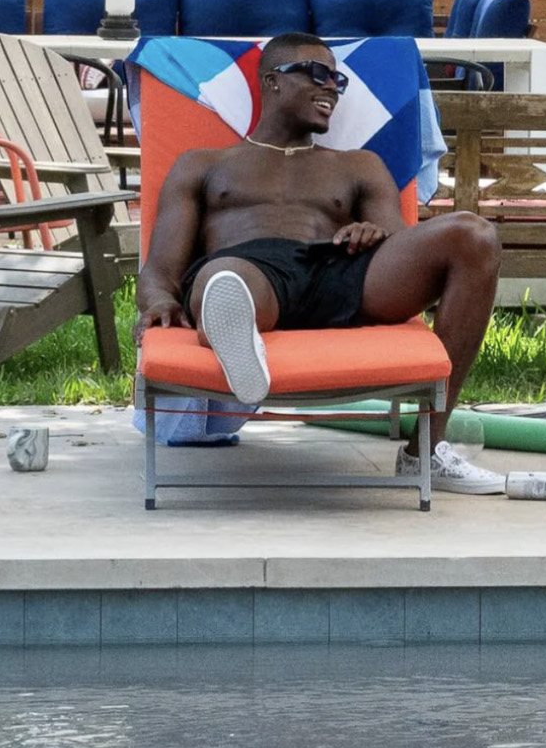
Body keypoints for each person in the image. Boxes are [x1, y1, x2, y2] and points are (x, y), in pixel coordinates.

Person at [137, 32, 507, 494]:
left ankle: (425, 450)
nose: (331, 86)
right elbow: (160, 268)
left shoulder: (359, 165)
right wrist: (155, 301)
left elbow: (400, 243)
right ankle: (234, 335)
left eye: (337, 79)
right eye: (317, 73)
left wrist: (374, 235)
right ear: (272, 81)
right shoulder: (203, 164)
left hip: (339, 270)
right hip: (250, 271)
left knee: (475, 234)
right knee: (222, 279)